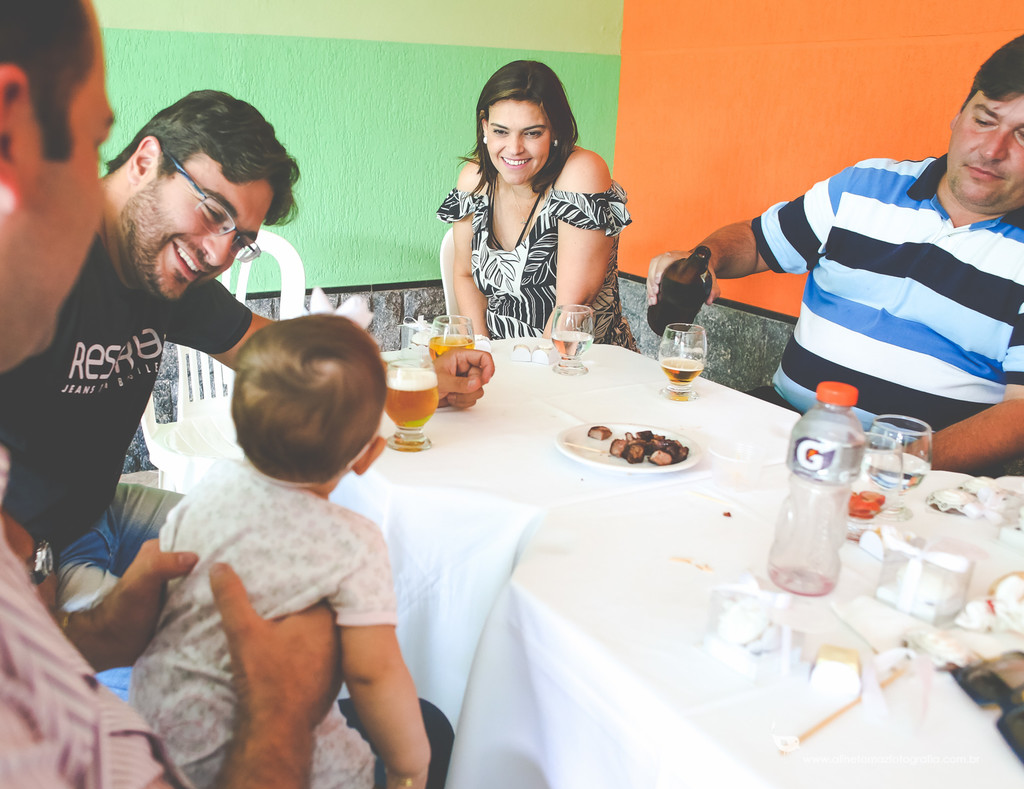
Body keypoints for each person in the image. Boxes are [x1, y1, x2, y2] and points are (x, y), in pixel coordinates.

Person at [0, 2, 339, 789]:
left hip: (80, 533)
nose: (217, 253)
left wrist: (91, 635)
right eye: (96, 141)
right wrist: (279, 706)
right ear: (3, 143)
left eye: (238, 237)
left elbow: (45, 684)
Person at [0, 91, 497, 619]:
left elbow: (279, 357)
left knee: (301, 571)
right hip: (0, 549)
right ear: (145, 162)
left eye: (240, 239)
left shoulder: (158, 261)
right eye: (212, 212)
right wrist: (27, 567)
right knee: (174, 684)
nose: (219, 253)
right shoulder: (24, 257)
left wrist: (417, 378)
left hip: (95, 515)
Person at [647, 34, 1024, 475]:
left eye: (1023, 135)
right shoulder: (864, 187)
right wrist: (705, 256)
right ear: (958, 116)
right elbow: (756, 241)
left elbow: (1018, 417)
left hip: (919, 480)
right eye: (984, 120)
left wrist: (888, 465)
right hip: (783, 427)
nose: (992, 150)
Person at [133, 314, 442, 789]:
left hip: (162, 744)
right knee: (430, 733)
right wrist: (409, 775)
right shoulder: (353, 543)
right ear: (368, 455)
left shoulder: (205, 489)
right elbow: (373, 672)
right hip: (276, 770)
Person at [437, 60, 638, 350]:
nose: (514, 148)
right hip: (503, 361)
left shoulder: (581, 173)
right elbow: (464, 275)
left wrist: (529, 375)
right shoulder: (474, 181)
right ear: (484, 127)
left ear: (555, 130)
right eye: (500, 131)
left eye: (532, 133)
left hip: (580, 364)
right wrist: (482, 350)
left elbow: (573, 306)